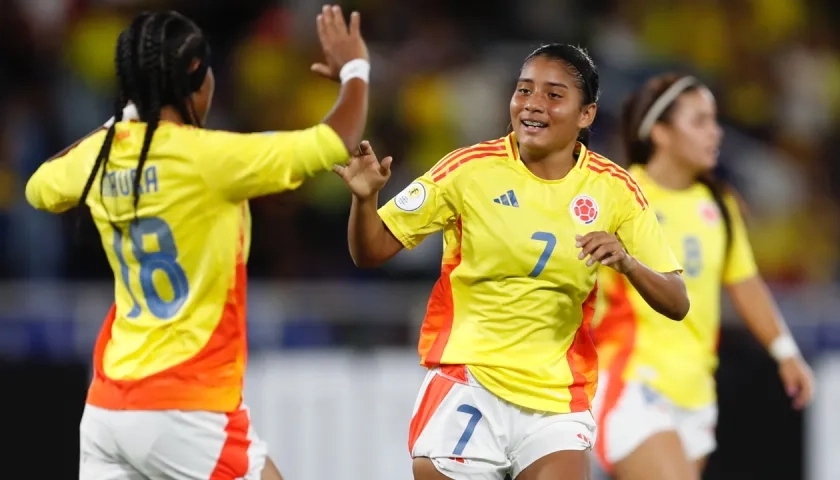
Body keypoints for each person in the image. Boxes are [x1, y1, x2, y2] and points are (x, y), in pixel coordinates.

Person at [25, 7, 369, 480]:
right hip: (184, 405)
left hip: (107, 408)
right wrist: (355, 68)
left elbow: (39, 187)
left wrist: (119, 122)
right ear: (196, 77)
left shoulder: (102, 155)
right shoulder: (210, 159)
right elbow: (337, 139)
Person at [333, 44, 690, 480]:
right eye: (524, 90)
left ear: (587, 115)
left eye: (554, 95)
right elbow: (370, 252)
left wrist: (629, 263)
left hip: (556, 399)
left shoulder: (615, 190)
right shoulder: (468, 171)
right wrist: (365, 198)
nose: (533, 104)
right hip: (468, 382)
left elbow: (677, 301)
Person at [589, 74, 816, 480]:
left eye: (715, 120)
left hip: (695, 391)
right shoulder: (617, 196)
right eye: (700, 121)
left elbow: (744, 282)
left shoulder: (719, 204)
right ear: (660, 132)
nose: (716, 133)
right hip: (630, 381)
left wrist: (785, 352)